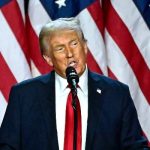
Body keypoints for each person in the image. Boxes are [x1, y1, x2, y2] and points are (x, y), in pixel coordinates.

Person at [0, 18, 149, 150]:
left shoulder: (116, 94)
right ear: (48, 59)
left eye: (74, 43)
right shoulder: (24, 95)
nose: (70, 53)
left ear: (85, 47)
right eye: (60, 48)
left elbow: (134, 146)